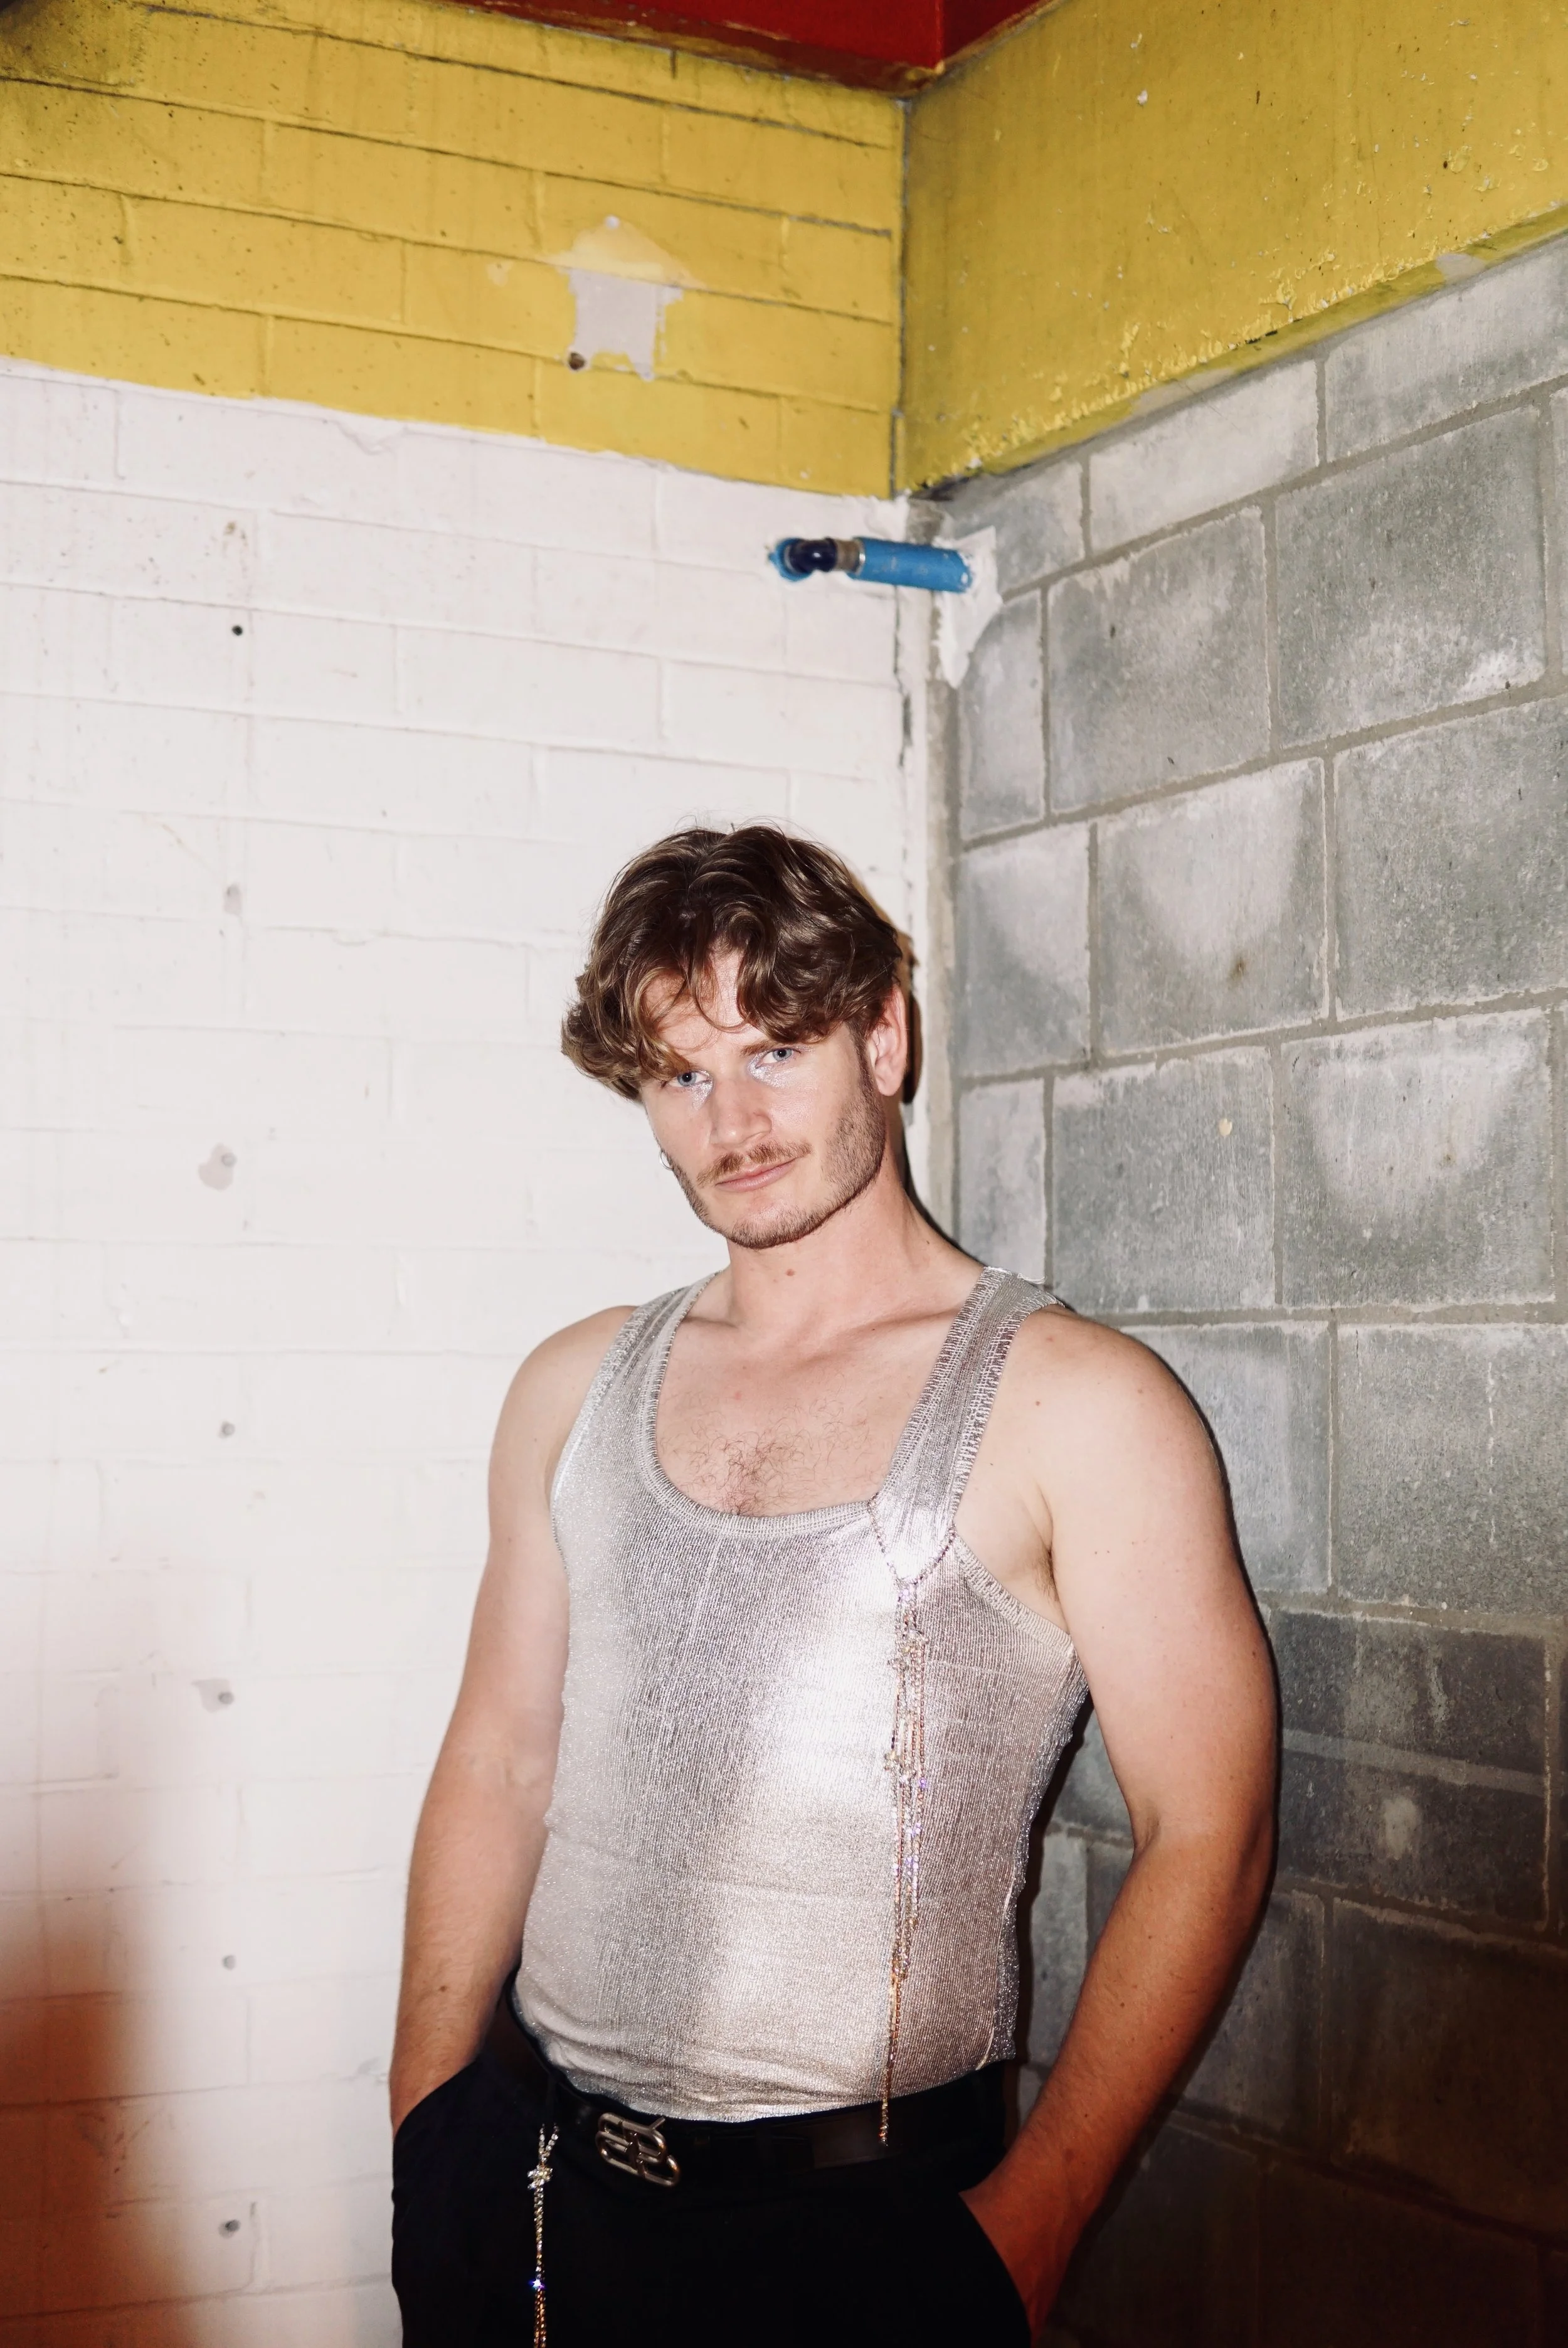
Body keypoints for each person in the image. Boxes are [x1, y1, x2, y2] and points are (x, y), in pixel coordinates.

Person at [388, 825, 1276, 2347]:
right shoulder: (575, 1382)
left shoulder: (1074, 1401)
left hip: (867, 2227)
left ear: (884, 1032)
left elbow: (1213, 1827)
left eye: (774, 1049)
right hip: (531, 2188)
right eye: (679, 1073)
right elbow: (498, 1754)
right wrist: (424, 2120)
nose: (729, 1117)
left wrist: (1035, 2218)